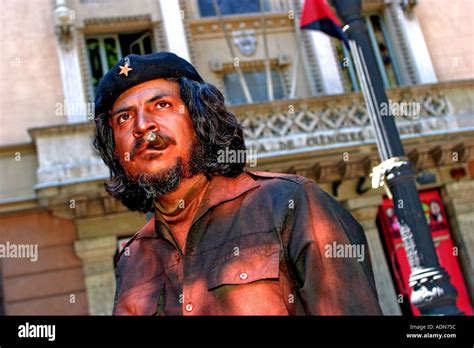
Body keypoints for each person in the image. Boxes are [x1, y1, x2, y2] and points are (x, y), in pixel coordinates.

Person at [93, 51, 382, 315]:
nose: (142, 125)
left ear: (199, 118)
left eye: (162, 104)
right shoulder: (131, 259)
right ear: (116, 150)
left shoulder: (293, 203)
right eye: (124, 118)